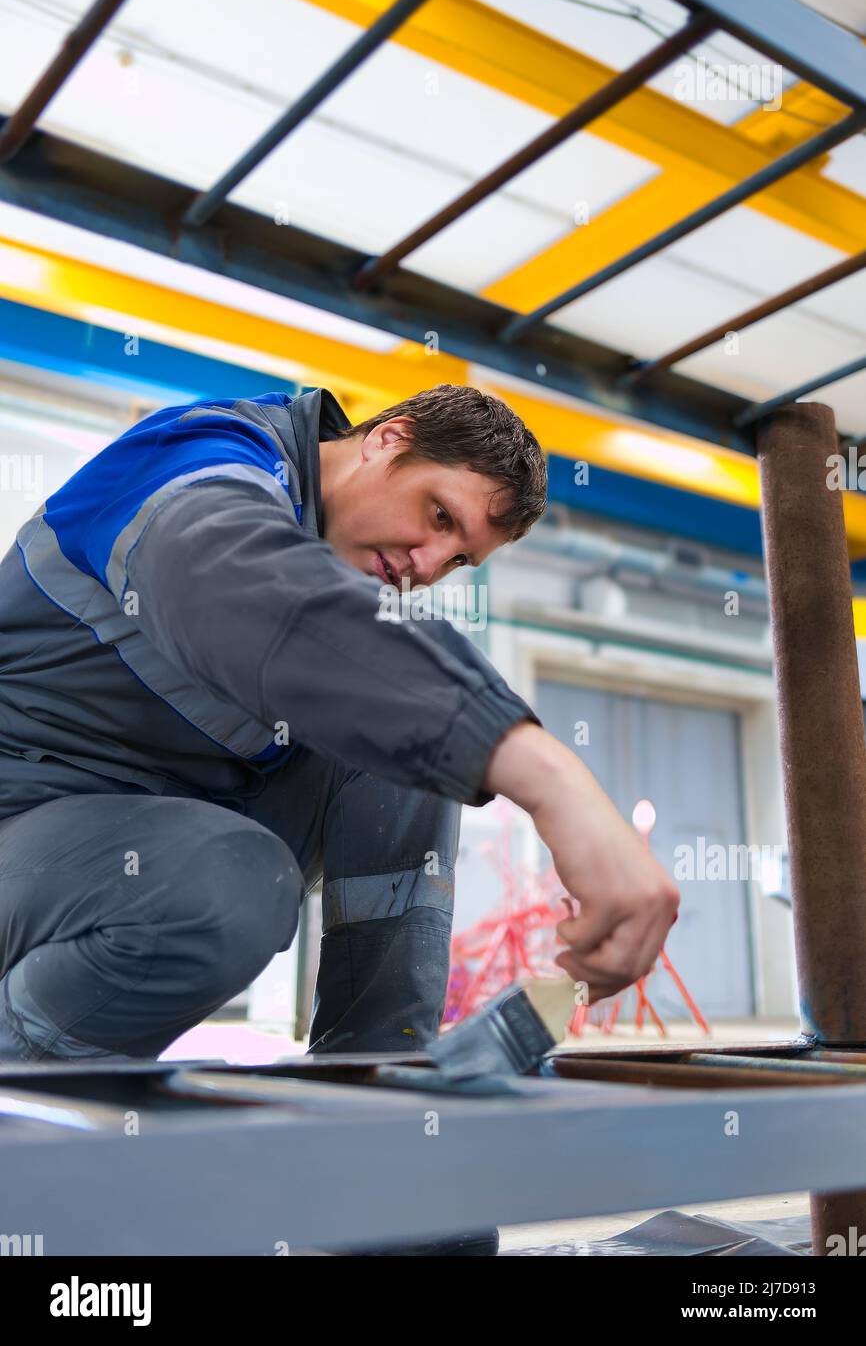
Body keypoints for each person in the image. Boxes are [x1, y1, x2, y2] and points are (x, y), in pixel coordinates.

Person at [0, 383, 678, 1070]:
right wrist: (554, 783)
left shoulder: (345, 584)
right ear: (389, 439)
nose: (425, 565)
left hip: (153, 824)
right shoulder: (200, 459)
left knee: (403, 733)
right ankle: (23, 1075)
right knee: (233, 881)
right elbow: (246, 595)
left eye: (458, 560)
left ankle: (377, 1072)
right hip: (21, 825)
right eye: (437, 514)